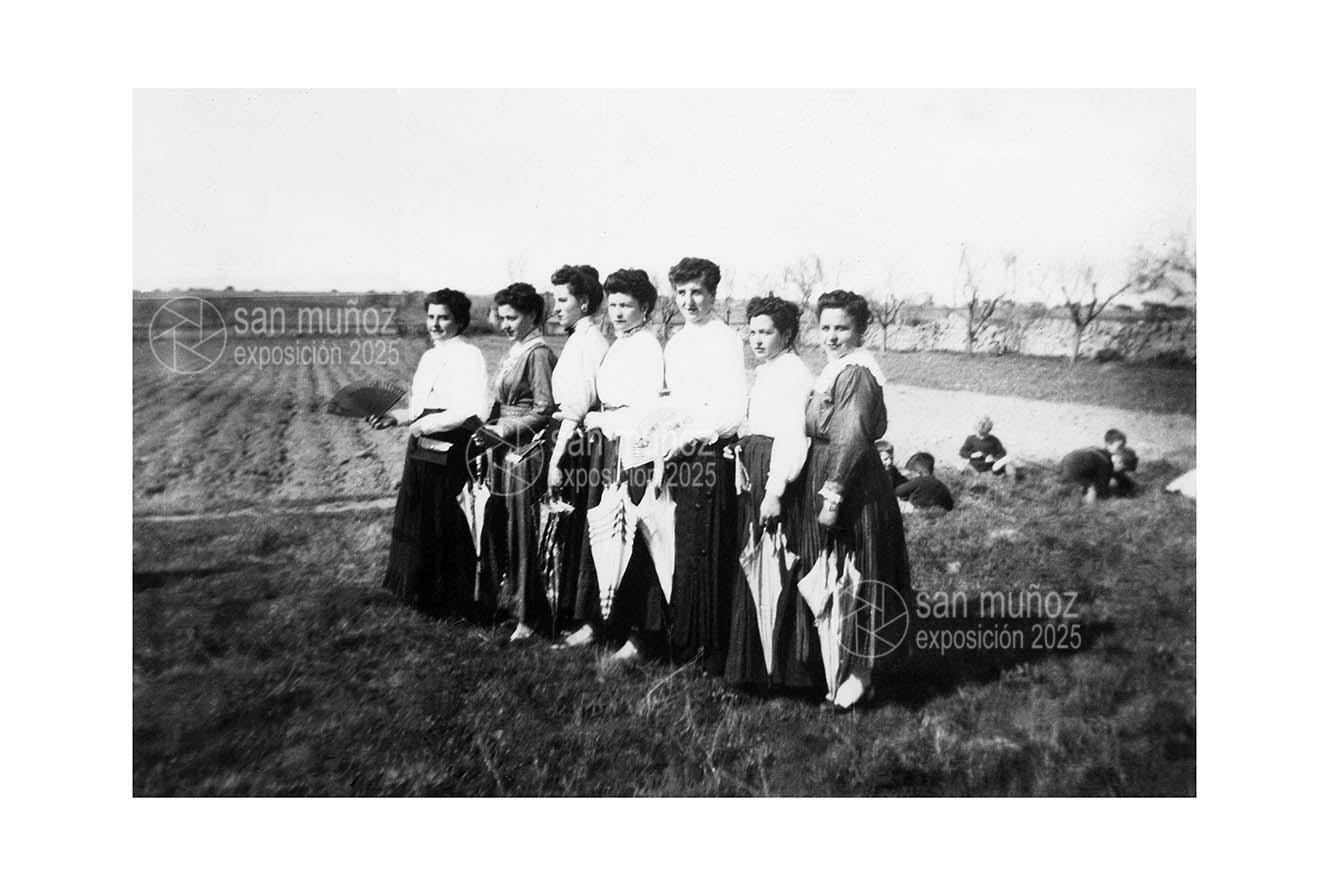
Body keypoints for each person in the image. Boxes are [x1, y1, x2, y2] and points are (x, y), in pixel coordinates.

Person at [796, 290, 911, 709]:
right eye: (825, 327)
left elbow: (853, 435)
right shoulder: (835, 370)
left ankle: (862, 675)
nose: (831, 336)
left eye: (842, 328)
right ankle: (836, 665)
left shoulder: (858, 372)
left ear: (860, 330)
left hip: (852, 484)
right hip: (827, 470)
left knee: (859, 575)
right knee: (833, 575)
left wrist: (833, 496)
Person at [566, 269, 668, 657]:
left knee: (632, 534)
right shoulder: (619, 344)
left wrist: (601, 421)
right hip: (608, 446)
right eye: (613, 305)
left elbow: (644, 411)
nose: (619, 313)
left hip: (634, 449)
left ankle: (639, 636)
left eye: (627, 305)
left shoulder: (647, 347)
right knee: (604, 530)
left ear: (645, 308)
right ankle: (600, 622)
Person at [724, 294, 820, 690]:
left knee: (774, 563)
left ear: (788, 334)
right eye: (753, 333)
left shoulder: (792, 374)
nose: (757, 340)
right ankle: (754, 667)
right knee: (755, 560)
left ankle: (781, 671)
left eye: (766, 333)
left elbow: (792, 437)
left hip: (775, 474)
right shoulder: (770, 370)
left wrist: (775, 490)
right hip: (757, 464)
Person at [375, 289, 491, 617]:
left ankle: (452, 599)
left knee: (444, 516)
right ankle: (418, 592)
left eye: (444, 318)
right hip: (422, 443)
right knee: (418, 514)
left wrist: (426, 426)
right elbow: (419, 407)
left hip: (450, 444)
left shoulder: (469, 355)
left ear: (460, 321)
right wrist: (395, 418)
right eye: (431, 317)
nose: (435, 324)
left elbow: (473, 409)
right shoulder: (429, 357)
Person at [661, 257, 747, 675]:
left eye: (697, 292)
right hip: (679, 453)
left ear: (713, 294)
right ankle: (684, 641)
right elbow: (676, 400)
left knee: (708, 546)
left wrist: (694, 437)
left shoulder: (725, 340)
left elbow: (732, 409)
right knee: (683, 544)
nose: (689, 301)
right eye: (681, 293)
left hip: (709, 452)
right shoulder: (676, 343)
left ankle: (712, 650)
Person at [474, 282, 557, 641]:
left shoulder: (538, 353)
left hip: (525, 451)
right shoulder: (515, 350)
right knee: (495, 526)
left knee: (523, 532)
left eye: (513, 318)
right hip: (500, 447)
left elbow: (544, 409)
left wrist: (504, 430)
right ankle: (492, 603)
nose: (505, 324)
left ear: (532, 315)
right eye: (502, 317)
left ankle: (530, 616)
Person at [545, 264, 610, 636]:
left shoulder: (588, 342)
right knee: (572, 530)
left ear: (584, 302)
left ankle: (589, 621)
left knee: (583, 530)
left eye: (562, 300)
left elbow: (576, 409)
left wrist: (556, 460)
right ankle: (573, 613)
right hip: (574, 438)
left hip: (578, 445)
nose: (556, 308)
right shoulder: (578, 339)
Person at [1058, 444, 1137, 503]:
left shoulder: (1105, 454)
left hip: (1062, 466)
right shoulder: (1105, 465)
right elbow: (1102, 492)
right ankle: (1080, 498)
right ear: (1119, 461)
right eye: (1123, 469)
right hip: (1071, 478)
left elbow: (1117, 474)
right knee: (1094, 492)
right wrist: (1121, 500)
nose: (1122, 472)